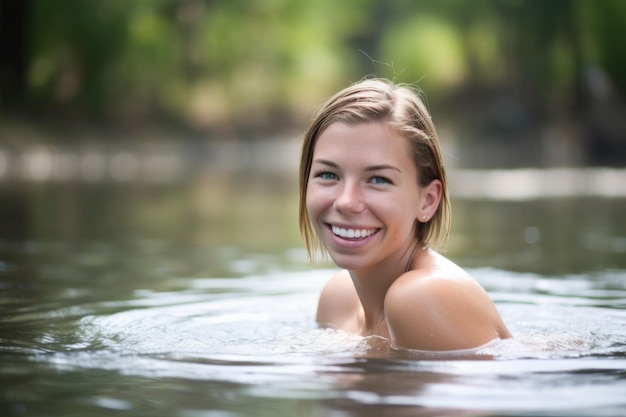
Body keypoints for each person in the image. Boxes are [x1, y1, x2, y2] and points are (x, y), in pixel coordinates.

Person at [298, 78, 512, 351]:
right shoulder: (338, 301)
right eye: (328, 174)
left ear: (428, 200)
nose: (346, 202)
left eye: (378, 180)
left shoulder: (421, 297)